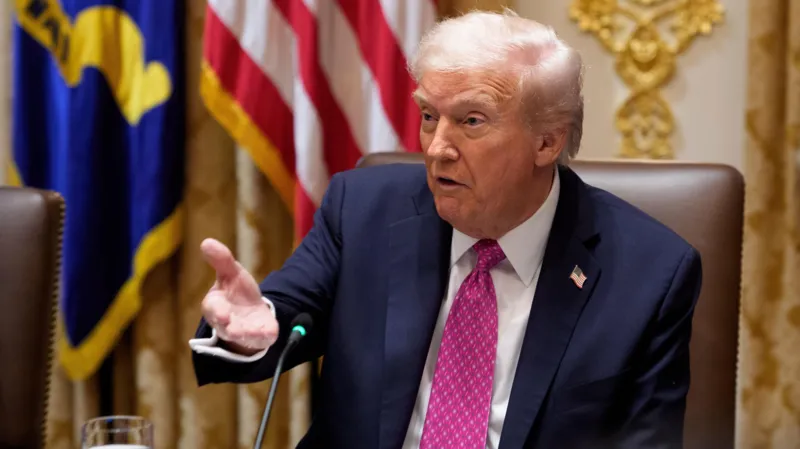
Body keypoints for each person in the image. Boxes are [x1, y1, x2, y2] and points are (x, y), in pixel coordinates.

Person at [189, 9, 702, 449]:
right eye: (430, 116)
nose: (437, 148)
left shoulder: (649, 273)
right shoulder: (363, 210)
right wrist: (245, 333)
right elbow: (275, 321)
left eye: (472, 121)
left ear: (547, 142)